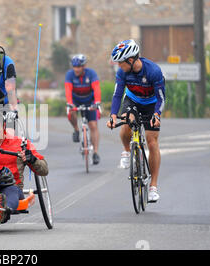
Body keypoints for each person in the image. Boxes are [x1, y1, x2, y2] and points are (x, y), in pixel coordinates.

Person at [107, 39, 165, 203]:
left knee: (152, 141)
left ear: (131, 60)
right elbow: (118, 94)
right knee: (126, 122)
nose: (119, 66)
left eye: (120, 62)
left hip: (151, 103)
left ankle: (153, 187)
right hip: (132, 100)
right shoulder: (122, 73)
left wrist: (157, 115)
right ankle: (127, 150)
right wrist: (112, 115)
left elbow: (161, 98)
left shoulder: (153, 71)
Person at [65, 54, 102, 165]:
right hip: (76, 99)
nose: (76, 69)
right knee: (70, 112)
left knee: (93, 126)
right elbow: (68, 89)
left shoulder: (91, 73)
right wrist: (70, 103)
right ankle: (76, 129)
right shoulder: (70, 74)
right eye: (74, 66)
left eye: (79, 66)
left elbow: (96, 88)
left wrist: (97, 102)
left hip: (89, 100)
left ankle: (95, 153)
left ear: (84, 66)